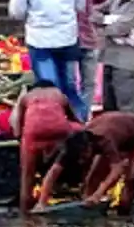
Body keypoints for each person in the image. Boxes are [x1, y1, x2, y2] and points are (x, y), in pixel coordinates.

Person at [8, 0, 86, 119]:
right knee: (70, 87)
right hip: (68, 37)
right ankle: (80, 123)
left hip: (40, 39)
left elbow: (17, 11)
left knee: (49, 89)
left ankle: (54, 125)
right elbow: (81, 5)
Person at [36, 111, 134, 213]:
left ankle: (125, 212)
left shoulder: (104, 141)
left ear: (89, 147)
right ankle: (89, 209)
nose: (82, 161)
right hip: (117, 132)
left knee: (130, 178)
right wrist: (42, 202)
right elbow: (53, 172)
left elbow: (117, 169)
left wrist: (98, 194)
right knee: (91, 178)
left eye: (83, 157)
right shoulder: (71, 145)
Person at [13, 81, 82, 214]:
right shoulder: (60, 95)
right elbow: (75, 119)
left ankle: (25, 213)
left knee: (27, 177)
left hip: (33, 134)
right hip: (60, 133)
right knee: (57, 166)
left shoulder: (26, 97)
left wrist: (20, 140)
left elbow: (17, 127)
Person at [55, 0, 107, 113]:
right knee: (69, 81)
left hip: (88, 39)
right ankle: (71, 113)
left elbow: (106, 0)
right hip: (66, 41)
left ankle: (84, 114)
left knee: (89, 82)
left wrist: (97, 15)